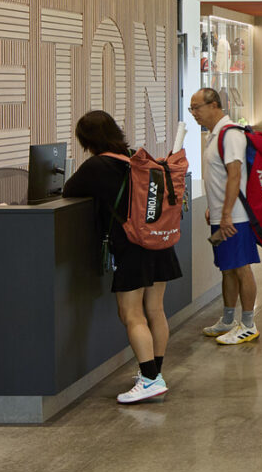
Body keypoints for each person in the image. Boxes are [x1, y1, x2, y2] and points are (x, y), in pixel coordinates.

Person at [62, 110, 183, 404]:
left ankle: (150, 379)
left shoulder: (98, 165)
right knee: (155, 310)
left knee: (131, 314)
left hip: (131, 246)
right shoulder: (136, 157)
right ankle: (154, 373)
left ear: (87, 140)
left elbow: (68, 190)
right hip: (160, 241)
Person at [189, 87, 261, 345]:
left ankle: (249, 324)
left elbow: (235, 175)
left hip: (236, 218)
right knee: (227, 268)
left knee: (241, 267)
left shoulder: (230, 134)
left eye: (197, 107)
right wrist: (215, 207)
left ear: (215, 105)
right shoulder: (214, 135)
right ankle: (228, 320)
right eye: (192, 108)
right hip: (222, 215)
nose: (194, 113)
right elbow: (219, 178)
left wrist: (228, 213)